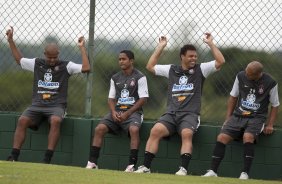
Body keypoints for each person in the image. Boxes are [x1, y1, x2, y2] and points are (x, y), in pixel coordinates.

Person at [134, 33, 225, 175]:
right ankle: (146, 167)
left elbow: (220, 61)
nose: (194, 58)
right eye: (190, 56)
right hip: (171, 114)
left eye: (195, 56)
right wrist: (161, 46)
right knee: (155, 131)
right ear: (182, 56)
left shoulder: (201, 69)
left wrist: (210, 43)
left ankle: (183, 169)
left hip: (190, 114)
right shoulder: (172, 69)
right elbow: (150, 66)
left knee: (187, 133)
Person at [6, 26, 91, 163]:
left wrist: (81, 47)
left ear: (59, 54)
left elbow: (86, 68)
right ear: (44, 54)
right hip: (37, 105)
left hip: (56, 106)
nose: (52, 60)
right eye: (49, 57)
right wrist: (10, 40)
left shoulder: (66, 66)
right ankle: (14, 156)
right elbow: (19, 60)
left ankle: (47, 159)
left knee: (56, 121)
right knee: (22, 120)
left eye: (55, 57)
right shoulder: (37, 63)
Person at [202, 61, 279, 179]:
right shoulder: (241, 76)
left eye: (250, 74)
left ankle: (245, 173)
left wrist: (270, 124)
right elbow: (233, 96)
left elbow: (275, 105)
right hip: (238, 115)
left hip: (257, 117)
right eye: (246, 72)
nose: (246, 75)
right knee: (221, 137)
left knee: (248, 137)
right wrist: (228, 118)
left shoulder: (271, 83)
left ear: (258, 74)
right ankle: (213, 171)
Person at [85, 50, 149, 172]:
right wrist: (113, 112)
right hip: (118, 111)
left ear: (131, 61)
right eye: (119, 59)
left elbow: (143, 99)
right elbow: (111, 98)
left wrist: (128, 113)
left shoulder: (140, 77)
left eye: (124, 59)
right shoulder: (115, 78)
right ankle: (92, 162)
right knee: (99, 129)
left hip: (133, 113)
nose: (121, 61)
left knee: (134, 129)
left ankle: (131, 165)